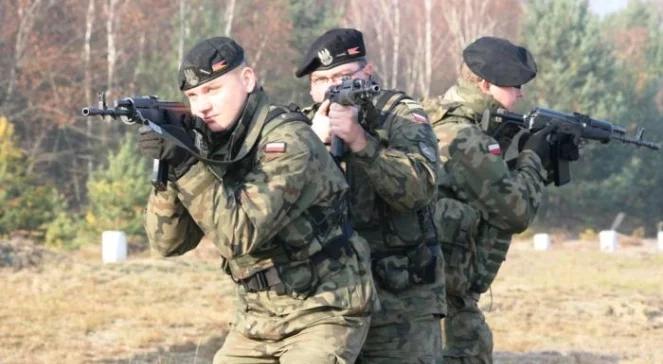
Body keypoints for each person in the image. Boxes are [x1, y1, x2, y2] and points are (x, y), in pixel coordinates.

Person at [139, 36, 377, 364]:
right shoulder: (214, 146)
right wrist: (169, 169)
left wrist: (187, 164)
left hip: (324, 309)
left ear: (247, 80)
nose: (202, 105)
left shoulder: (289, 141)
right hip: (257, 318)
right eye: (193, 96)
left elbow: (240, 233)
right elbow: (168, 243)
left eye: (213, 90)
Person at [296, 28, 446, 363]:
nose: (332, 87)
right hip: (326, 303)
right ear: (311, 87)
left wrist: (361, 142)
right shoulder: (300, 128)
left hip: (400, 302)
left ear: (367, 72)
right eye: (322, 79)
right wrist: (311, 147)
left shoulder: (401, 115)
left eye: (344, 76)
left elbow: (419, 189)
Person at [426, 36, 553, 364]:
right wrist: (534, 159)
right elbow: (515, 212)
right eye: (513, 86)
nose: (520, 93)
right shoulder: (466, 138)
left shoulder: (435, 116)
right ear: (484, 84)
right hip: (444, 307)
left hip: (426, 294)